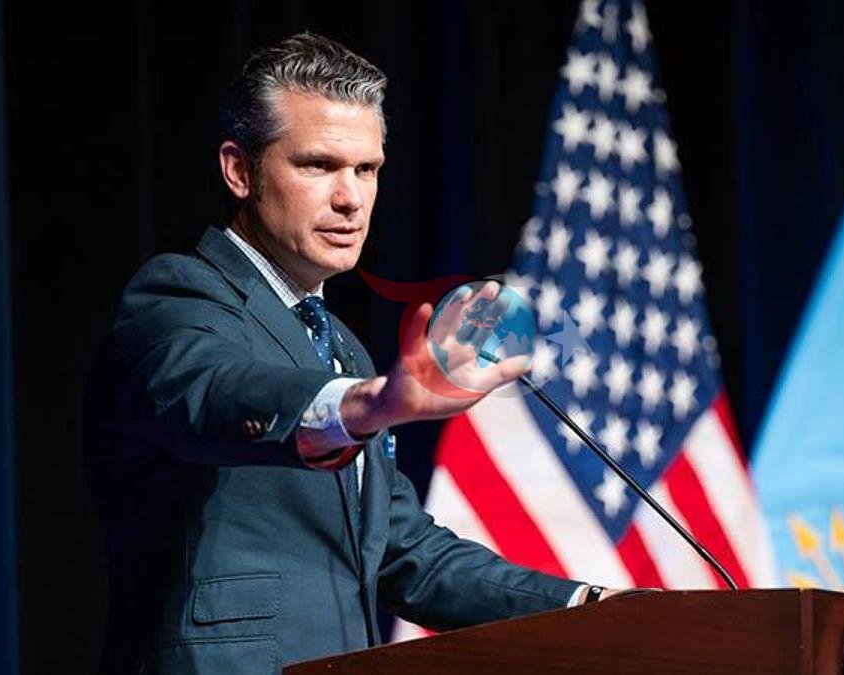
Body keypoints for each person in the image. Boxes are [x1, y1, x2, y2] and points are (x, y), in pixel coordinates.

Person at [84, 32, 614, 674]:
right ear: (240, 170)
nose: (351, 199)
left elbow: (405, 555)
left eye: (366, 170)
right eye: (318, 165)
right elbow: (216, 393)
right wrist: (368, 405)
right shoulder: (177, 297)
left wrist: (591, 608)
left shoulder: (342, 348)